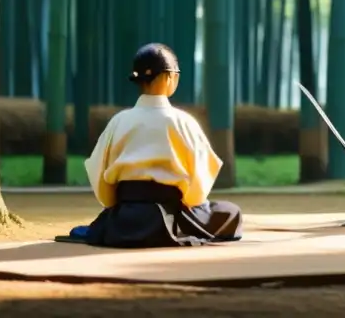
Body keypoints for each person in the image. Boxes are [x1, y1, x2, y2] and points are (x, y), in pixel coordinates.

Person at [71, 43, 244, 248]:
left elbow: (101, 180)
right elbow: (198, 189)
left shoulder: (119, 121)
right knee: (230, 212)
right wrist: (187, 203)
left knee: (95, 226)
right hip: (170, 215)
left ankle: (118, 227)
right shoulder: (183, 121)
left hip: (125, 219)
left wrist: (116, 207)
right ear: (169, 77)